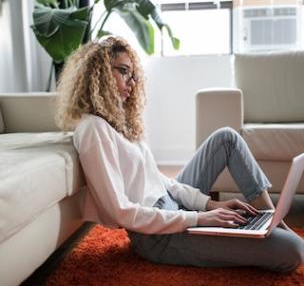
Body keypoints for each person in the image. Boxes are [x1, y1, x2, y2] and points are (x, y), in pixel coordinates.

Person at [55, 36, 304, 273]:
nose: (131, 82)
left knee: (226, 138)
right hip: (158, 237)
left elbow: (160, 181)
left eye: (132, 74)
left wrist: (209, 205)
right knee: (293, 251)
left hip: (174, 208)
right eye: (122, 71)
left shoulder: (120, 123)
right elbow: (120, 211)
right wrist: (198, 219)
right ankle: (268, 230)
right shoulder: (93, 129)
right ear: (98, 74)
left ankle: (271, 220)